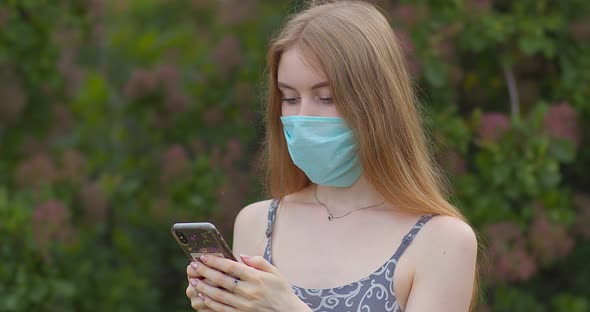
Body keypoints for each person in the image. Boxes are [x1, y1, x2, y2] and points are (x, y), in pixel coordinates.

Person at [185, 0, 478, 311]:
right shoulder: (257, 224)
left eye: (326, 98)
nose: (303, 116)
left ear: (377, 103)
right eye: (290, 98)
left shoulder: (441, 241)